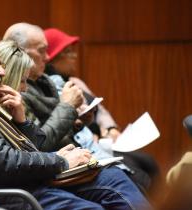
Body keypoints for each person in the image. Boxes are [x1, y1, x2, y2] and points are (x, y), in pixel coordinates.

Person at [0, 36, 150, 210]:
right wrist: (61, 161)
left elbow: (34, 147)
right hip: (11, 194)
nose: (1, 72)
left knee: (114, 178)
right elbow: (5, 164)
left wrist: (20, 119)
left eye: (1, 65)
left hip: (26, 183)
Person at [44, 27, 161, 196]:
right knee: (138, 175)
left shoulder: (76, 82)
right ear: (53, 58)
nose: (74, 56)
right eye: (68, 53)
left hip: (104, 140)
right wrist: (85, 131)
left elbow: (101, 110)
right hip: (85, 145)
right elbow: (56, 124)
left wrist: (110, 128)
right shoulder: (50, 89)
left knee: (148, 162)